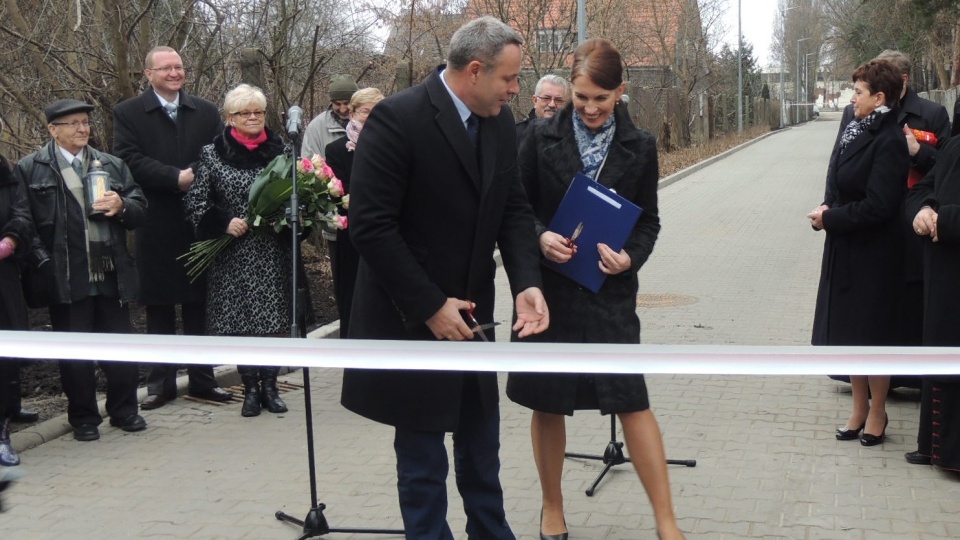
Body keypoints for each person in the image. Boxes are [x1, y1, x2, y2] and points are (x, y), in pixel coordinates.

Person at [341, 17, 550, 540]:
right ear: (475, 71)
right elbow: (371, 227)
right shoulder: (398, 118)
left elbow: (514, 210)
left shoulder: (499, 121)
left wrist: (527, 281)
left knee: (482, 448)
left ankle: (490, 532)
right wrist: (431, 305)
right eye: (509, 78)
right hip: (412, 318)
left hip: (473, 316)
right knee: (422, 461)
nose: (515, 89)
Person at [505, 39, 683, 540]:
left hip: (609, 294)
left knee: (631, 399)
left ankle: (667, 523)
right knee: (549, 399)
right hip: (550, 294)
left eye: (600, 99)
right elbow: (518, 209)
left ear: (620, 92)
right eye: (580, 97)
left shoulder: (641, 145)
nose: (588, 109)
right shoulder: (537, 138)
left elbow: (647, 221)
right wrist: (540, 237)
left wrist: (631, 258)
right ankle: (552, 509)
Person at [17, 99, 148, 442]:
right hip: (65, 274)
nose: (82, 129)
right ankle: (84, 419)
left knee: (119, 348)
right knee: (75, 356)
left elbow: (139, 208)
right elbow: (25, 224)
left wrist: (122, 205)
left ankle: (124, 411)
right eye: (72, 123)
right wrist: (44, 262)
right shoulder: (31, 168)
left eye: (85, 122)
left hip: (111, 272)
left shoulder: (111, 164)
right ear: (52, 130)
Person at [113, 45, 232, 410]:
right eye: (165, 68)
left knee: (199, 304)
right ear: (148, 74)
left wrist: (194, 179)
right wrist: (174, 177)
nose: (174, 73)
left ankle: (203, 380)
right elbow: (127, 158)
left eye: (179, 67)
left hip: (199, 219)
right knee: (160, 307)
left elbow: (219, 151)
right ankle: (160, 385)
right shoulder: (128, 112)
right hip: (155, 220)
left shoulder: (206, 111)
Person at [185, 84, 304, 418]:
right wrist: (224, 222)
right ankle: (250, 388)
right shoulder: (212, 153)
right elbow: (195, 202)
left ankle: (271, 386)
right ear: (230, 117)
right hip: (233, 253)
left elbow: (299, 193)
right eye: (244, 112)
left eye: (258, 112)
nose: (253, 117)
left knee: (274, 323)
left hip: (272, 250)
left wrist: (283, 218)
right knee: (243, 324)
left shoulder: (283, 150)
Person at [807, 60, 910, 446]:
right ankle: (858, 407)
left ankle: (878, 412)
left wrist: (831, 218)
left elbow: (880, 205)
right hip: (845, 248)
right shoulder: (853, 127)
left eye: (858, 92)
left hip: (875, 254)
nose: (852, 98)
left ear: (879, 98)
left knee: (873, 335)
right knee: (851, 334)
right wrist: (825, 207)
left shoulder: (889, 140)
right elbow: (836, 178)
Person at [907, 136, 960, 471]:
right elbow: (925, 188)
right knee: (940, 355)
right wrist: (923, 210)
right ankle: (935, 447)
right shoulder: (955, 145)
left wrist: (949, 221)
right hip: (945, 274)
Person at [323, 87, 384, 338]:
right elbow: (340, 191)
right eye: (364, 112)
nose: (370, 119)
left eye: (376, 112)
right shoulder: (337, 150)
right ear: (353, 113)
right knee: (352, 294)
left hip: (385, 231)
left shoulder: (393, 144)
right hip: (351, 234)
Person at [1, 138, 33, 466]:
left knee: (4, 355)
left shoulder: (7, 174)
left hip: (3, 277)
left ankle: (3, 430)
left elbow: (22, 214)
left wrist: (10, 240)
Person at [301, 74, 359, 159]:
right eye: (337, 104)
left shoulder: (367, 122)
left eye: (347, 103)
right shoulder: (315, 127)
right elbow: (308, 163)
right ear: (332, 102)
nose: (343, 109)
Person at [515, 73, 570, 143]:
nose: (552, 104)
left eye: (558, 100)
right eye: (546, 98)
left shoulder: (574, 136)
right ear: (535, 101)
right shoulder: (516, 134)